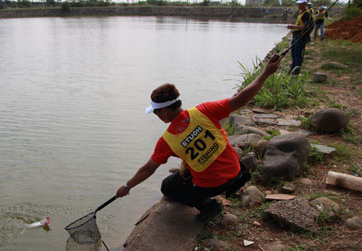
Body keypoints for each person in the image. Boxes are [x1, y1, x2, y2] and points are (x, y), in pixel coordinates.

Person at [115, 55, 283, 223]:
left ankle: (207, 205)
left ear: (165, 112)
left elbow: (148, 168)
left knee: (168, 186)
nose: (156, 115)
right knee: (187, 170)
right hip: (237, 171)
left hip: (213, 185)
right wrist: (266, 73)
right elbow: (242, 99)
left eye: (156, 112)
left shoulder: (168, 140)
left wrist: (127, 186)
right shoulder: (204, 110)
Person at [287, 0, 312, 75]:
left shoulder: (306, 14)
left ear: (304, 4)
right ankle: (293, 68)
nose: (299, 6)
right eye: (298, 4)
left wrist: (293, 26)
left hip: (301, 36)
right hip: (296, 36)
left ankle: (296, 71)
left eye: (300, 4)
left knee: (298, 54)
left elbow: (306, 27)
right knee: (294, 53)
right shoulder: (301, 13)